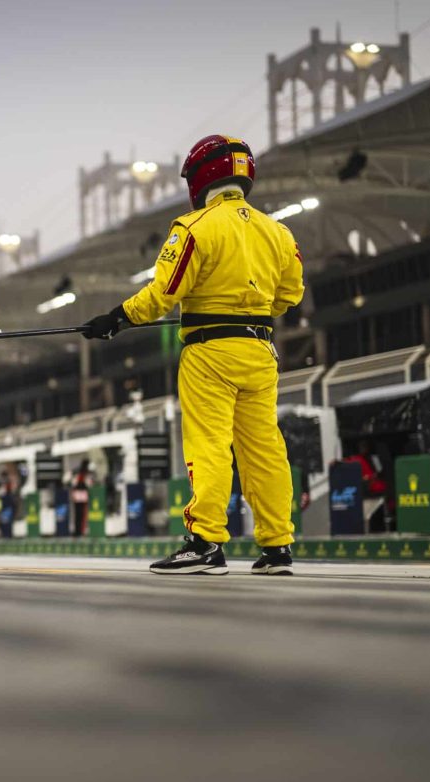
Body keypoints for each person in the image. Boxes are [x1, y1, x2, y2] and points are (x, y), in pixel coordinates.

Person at [82, 135, 304, 576]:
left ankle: (204, 542)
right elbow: (290, 295)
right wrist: (250, 306)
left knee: (209, 447)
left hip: (210, 354)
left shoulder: (194, 227)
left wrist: (116, 318)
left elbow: (164, 293)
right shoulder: (278, 232)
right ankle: (276, 547)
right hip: (259, 350)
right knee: (265, 451)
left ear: (203, 177)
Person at [70, 460, 91, 537]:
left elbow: (73, 484)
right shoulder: (85, 473)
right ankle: (80, 531)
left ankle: (77, 531)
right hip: (82, 495)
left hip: (77, 495)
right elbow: (88, 484)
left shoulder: (77, 473)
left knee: (77, 514)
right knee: (82, 514)